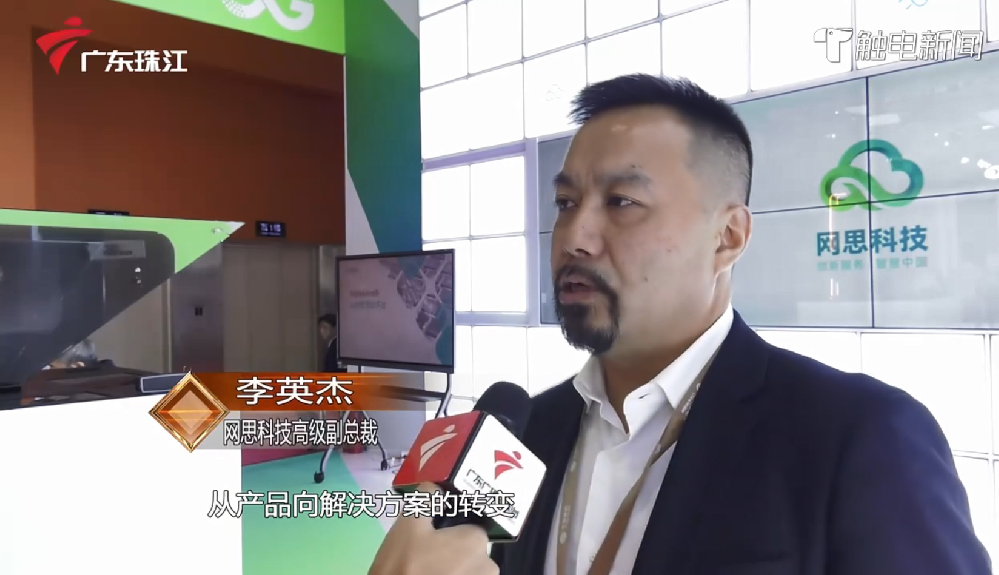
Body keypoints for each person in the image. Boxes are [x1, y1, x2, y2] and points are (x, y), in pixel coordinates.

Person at [366, 74, 991, 575]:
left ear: (728, 237)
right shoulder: (519, 438)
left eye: (622, 202)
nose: (574, 235)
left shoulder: (858, 435)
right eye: (565, 203)